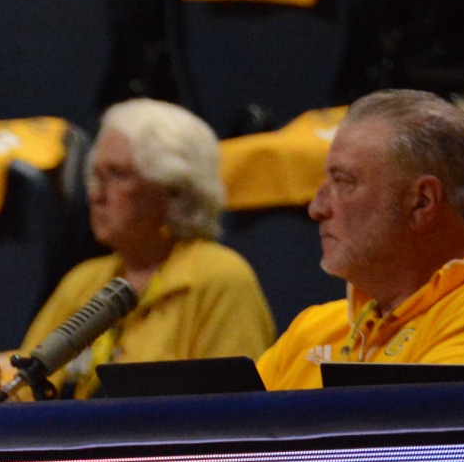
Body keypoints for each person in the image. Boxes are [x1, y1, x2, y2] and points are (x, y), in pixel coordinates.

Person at [18, 99, 275, 398]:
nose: (96, 194)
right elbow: (22, 391)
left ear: (175, 191)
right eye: (95, 176)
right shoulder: (82, 281)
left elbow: (231, 416)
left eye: (116, 175)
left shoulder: (220, 279)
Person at [259, 90, 464, 390]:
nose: (317, 208)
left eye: (344, 182)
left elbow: (418, 433)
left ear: (422, 202)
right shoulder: (314, 329)